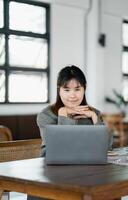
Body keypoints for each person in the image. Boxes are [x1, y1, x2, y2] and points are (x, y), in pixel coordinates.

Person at [27, 65, 105, 200]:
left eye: (77, 89)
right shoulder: (46, 115)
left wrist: (95, 119)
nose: (72, 95)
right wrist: (63, 116)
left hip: (88, 175)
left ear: (84, 89)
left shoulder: (94, 113)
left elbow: (106, 149)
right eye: (67, 89)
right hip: (51, 176)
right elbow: (55, 151)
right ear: (59, 90)